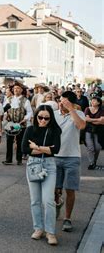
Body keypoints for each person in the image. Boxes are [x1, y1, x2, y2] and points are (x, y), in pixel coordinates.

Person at [22, 105, 62, 246]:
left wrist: (36, 147)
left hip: (49, 166)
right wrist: (45, 149)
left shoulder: (55, 130)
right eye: (40, 117)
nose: (43, 120)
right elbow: (24, 149)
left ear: (50, 118)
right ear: (36, 116)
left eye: (46, 118)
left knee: (49, 200)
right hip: (33, 165)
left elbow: (56, 150)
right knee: (35, 200)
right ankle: (38, 228)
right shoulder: (30, 129)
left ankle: (50, 232)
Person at [54, 91, 86, 232]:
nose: (61, 104)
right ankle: (57, 203)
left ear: (71, 103)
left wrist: (71, 109)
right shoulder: (54, 114)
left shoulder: (78, 114)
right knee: (55, 189)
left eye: (64, 102)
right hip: (55, 156)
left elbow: (81, 126)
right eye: (60, 101)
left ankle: (67, 218)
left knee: (70, 189)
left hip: (72, 157)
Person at [3, 81, 33, 165]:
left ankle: (19, 159)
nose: (16, 89)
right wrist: (6, 115)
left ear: (21, 90)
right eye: (15, 88)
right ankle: (8, 159)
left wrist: (25, 119)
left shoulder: (25, 100)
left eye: (18, 88)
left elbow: (30, 112)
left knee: (20, 142)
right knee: (9, 141)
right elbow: (4, 110)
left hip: (21, 124)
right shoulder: (8, 99)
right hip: (10, 124)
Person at [83, 96, 103, 170]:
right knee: (90, 148)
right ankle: (92, 163)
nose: (92, 101)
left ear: (98, 102)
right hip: (88, 130)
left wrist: (91, 120)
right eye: (92, 100)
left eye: (94, 101)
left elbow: (102, 121)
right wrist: (97, 120)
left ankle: (94, 161)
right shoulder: (87, 109)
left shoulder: (102, 110)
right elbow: (86, 119)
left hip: (98, 131)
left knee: (97, 148)